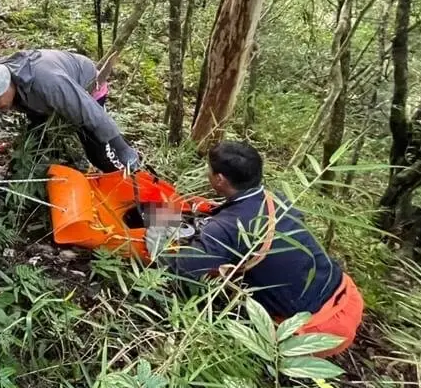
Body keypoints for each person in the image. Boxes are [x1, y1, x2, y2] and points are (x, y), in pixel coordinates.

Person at [148, 142, 364, 356]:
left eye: (209, 170)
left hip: (318, 331)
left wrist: (157, 239)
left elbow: (180, 273)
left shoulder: (225, 228)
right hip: (348, 297)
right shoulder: (277, 199)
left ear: (219, 179)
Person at [0, 50, 140, 173]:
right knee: (36, 139)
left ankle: (124, 177)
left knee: (97, 150)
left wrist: (121, 148)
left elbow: (89, 113)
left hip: (85, 86)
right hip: (38, 101)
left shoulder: (49, 83)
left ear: (5, 85)